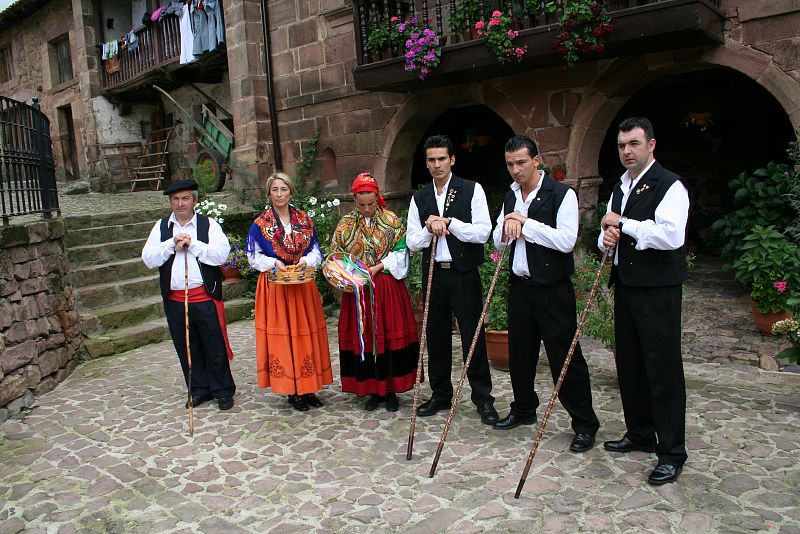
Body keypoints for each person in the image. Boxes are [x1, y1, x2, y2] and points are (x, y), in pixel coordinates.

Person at [491, 136, 600, 452]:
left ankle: (584, 423)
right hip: (520, 287)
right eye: (510, 164)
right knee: (520, 354)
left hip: (553, 290)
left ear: (536, 160)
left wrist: (525, 224)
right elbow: (499, 242)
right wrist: (507, 227)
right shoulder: (510, 196)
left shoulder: (561, 194)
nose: (515, 170)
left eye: (521, 162)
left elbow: (566, 241)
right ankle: (524, 408)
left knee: (565, 357)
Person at [598, 117, 690, 485]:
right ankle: (640, 434)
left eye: (634, 144)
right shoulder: (620, 187)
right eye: (622, 145)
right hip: (627, 285)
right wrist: (605, 240)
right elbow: (609, 230)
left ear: (651, 145)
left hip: (658, 290)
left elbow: (671, 236)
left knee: (663, 371)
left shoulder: (671, 185)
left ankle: (671, 452)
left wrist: (626, 225)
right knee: (631, 365)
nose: (627, 151)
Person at [406, 135, 499, 425]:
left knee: (473, 336)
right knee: (435, 336)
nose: (437, 165)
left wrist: (450, 223)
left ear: (452, 160)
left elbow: (483, 233)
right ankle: (441, 394)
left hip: (463, 273)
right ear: (426, 163)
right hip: (434, 274)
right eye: (431, 160)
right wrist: (428, 226)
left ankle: (483, 398)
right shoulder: (419, 197)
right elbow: (411, 241)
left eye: (441, 159)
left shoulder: (472, 190)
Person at [141, 179, 236, 411]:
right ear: (171, 202)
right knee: (187, 347)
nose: (180, 203)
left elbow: (220, 255)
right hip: (175, 300)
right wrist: (171, 244)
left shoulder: (208, 225)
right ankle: (198, 390)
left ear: (195, 200)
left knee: (214, 346)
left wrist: (193, 245)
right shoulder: (162, 227)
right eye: (175, 199)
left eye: (185, 198)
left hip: (204, 297)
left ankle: (222, 390)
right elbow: (149, 259)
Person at [331, 173, 420, 412]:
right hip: (358, 290)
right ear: (354, 200)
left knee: (388, 336)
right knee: (366, 337)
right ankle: (372, 389)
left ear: (377, 197)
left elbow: (403, 252)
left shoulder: (391, 221)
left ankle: (390, 389)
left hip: (386, 287)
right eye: (362, 205)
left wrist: (379, 266)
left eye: (371, 203)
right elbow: (336, 257)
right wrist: (350, 274)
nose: (367, 209)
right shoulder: (346, 225)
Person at [247, 172, 333, 412]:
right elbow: (253, 256)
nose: (279, 194)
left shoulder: (304, 220)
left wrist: (306, 259)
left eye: (283, 189)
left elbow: (316, 250)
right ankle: (293, 391)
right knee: (285, 337)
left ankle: (309, 387)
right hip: (276, 287)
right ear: (269, 193)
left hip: (302, 285)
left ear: (291, 192)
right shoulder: (261, 224)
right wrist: (273, 263)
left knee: (306, 334)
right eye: (274, 189)